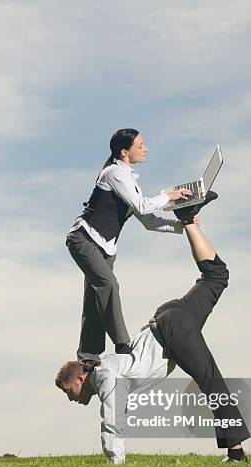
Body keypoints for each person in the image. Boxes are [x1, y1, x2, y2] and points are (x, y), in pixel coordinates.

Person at [56, 193, 251, 464]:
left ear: (79, 380)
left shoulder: (106, 378)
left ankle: (237, 453)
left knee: (210, 382)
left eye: (68, 391)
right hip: (168, 318)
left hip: (171, 331)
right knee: (217, 276)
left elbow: (113, 421)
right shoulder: (108, 365)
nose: (70, 399)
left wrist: (116, 463)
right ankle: (188, 220)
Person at [66, 128, 193, 367]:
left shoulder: (130, 180)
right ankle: (123, 346)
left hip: (106, 249)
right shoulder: (114, 172)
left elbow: (148, 220)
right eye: (140, 145)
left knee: (95, 297)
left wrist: (182, 226)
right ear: (125, 152)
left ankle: (88, 357)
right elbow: (143, 206)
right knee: (108, 285)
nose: (145, 149)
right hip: (83, 239)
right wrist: (169, 196)